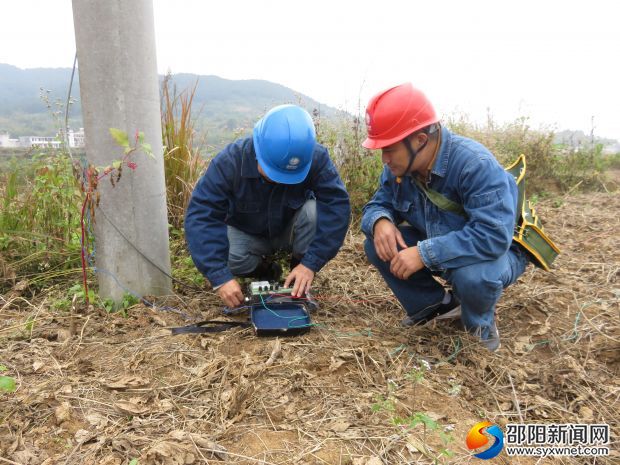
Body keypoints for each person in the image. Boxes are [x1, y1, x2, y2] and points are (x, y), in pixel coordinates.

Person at [361, 83, 530, 351]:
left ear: (419, 140)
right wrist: (380, 221)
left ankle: (479, 329)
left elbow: (493, 236)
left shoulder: (474, 165)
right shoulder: (401, 169)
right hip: (441, 239)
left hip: (500, 252)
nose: (385, 158)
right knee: (376, 242)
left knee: (473, 276)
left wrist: (423, 254)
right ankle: (435, 307)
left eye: (390, 148)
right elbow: (377, 204)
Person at [185, 104, 351, 308]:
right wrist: (219, 277)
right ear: (258, 148)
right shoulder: (230, 162)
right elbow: (202, 215)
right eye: (273, 172)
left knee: (314, 213)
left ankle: (297, 276)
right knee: (228, 256)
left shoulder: (314, 157)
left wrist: (310, 264)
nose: (279, 180)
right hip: (248, 233)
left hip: (290, 229)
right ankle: (265, 270)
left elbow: (337, 207)